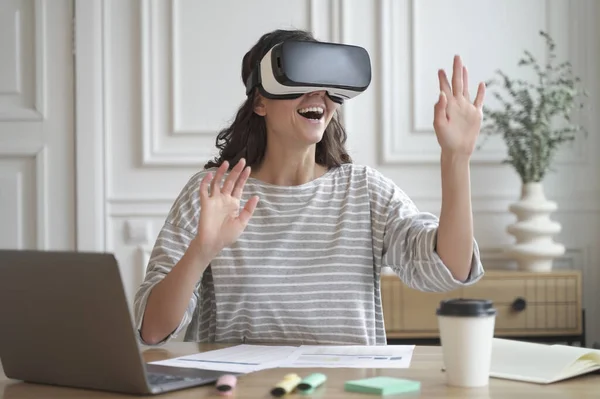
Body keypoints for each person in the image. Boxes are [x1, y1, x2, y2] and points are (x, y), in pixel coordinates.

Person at [133, 28, 486, 346]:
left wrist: (456, 158)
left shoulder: (364, 192)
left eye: (327, 82)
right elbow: (153, 330)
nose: (318, 94)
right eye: (300, 80)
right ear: (260, 102)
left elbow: (449, 269)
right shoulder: (213, 194)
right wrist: (202, 249)